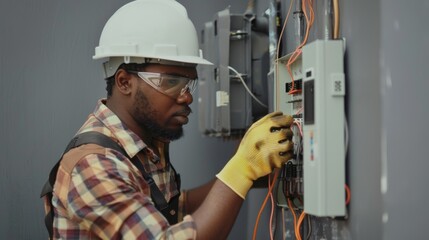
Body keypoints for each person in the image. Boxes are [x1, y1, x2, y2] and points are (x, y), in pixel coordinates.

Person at [42, 0, 294, 239]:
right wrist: (243, 169)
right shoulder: (93, 165)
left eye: (189, 83)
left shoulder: (145, 142)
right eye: (171, 82)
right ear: (124, 82)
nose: (186, 98)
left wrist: (245, 174)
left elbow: (171, 209)